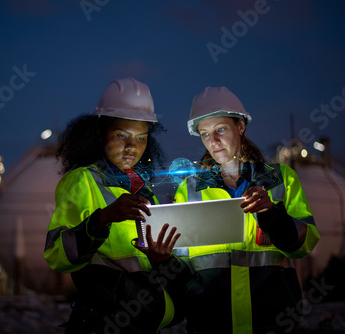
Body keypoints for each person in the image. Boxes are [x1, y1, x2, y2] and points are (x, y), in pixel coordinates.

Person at [44, 77, 189, 333]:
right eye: (121, 135)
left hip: (144, 324)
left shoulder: (145, 193)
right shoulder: (83, 182)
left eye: (141, 138)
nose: (132, 147)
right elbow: (57, 255)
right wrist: (103, 219)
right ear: (100, 134)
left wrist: (162, 259)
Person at [174, 86, 321, 334]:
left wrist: (273, 215)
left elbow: (304, 245)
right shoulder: (188, 190)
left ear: (240, 126)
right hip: (210, 324)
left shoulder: (281, 180)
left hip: (273, 322)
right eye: (204, 134)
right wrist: (159, 255)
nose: (213, 141)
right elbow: (180, 263)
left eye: (220, 129)